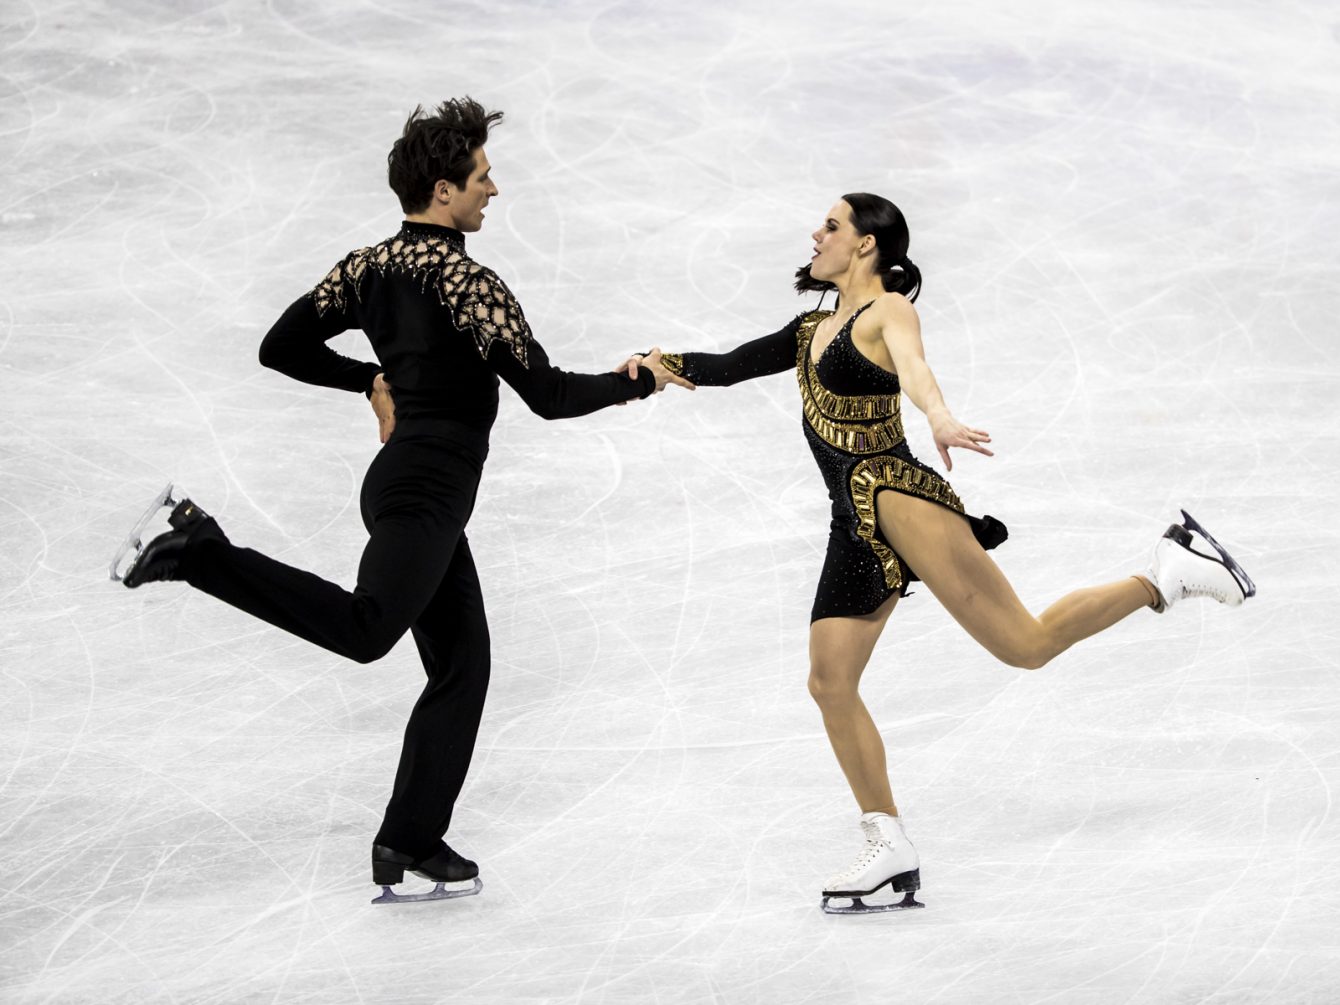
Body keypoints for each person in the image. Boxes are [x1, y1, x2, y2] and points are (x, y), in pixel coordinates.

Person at [109, 97, 690, 905]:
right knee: (366, 630)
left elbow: (282, 346)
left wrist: (370, 378)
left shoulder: (368, 268)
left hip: (417, 487)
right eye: (483, 177)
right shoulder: (467, 281)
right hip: (424, 488)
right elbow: (549, 395)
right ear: (445, 192)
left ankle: (409, 838)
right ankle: (198, 551)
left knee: (462, 663)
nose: (495, 188)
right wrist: (638, 381)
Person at [624, 192, 1255, 914]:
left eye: (831, 225)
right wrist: (658, 363)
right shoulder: (810, 332)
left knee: (1026, 644)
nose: (816, 233)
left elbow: (916, 372)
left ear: (865, 246)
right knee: (830, 682)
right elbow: (732, 363)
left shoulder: (887, 310)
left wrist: (942, 415)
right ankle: (888, 844)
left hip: (900, 497)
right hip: (852, 519)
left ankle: (1164, 572)